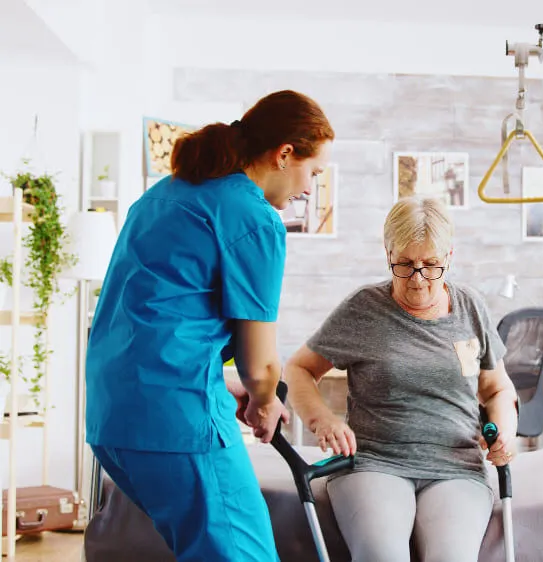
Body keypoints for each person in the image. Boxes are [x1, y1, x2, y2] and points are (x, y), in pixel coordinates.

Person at [85, 90, 334, 562]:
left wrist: (225, 384)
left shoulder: (164, 194)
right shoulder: (253, 217)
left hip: (112, 419)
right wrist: (263, 401)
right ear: (284, 155)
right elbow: (262, 366)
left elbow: (155, 319)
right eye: (313, 172)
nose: (309, 188)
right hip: (174, 422)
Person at [286, 195, 519, 562]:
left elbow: (497, 389)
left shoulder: (471, 307)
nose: (418, 279)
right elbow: (298, 369)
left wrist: (504, 431)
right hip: (375, 462)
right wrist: (322, 420)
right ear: (387, 252)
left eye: (431, 265)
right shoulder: (364, 308)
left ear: (449, 257)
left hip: (455, 465)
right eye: (405, 265)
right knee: (382, 555)